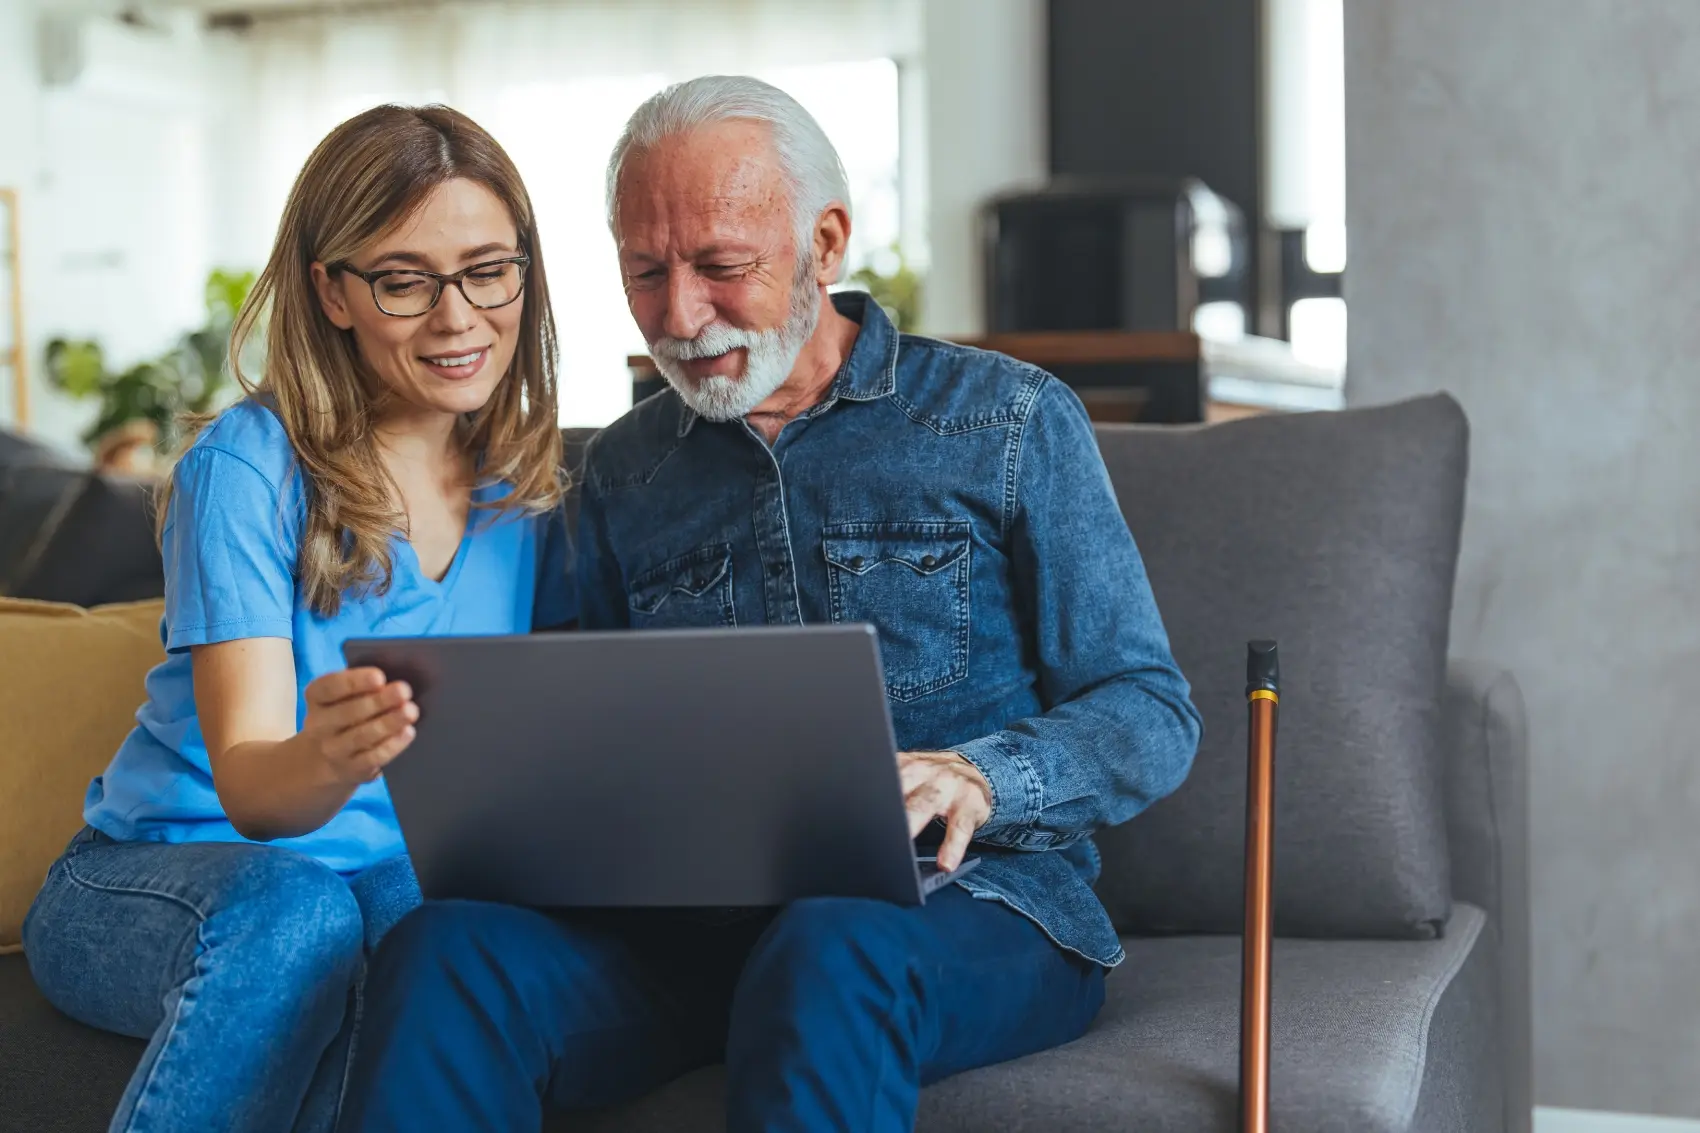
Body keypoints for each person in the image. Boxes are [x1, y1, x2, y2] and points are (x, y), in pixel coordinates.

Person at [341, 76, 1202, 1133]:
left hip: (972, 911)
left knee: (830, 940)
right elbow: (593, 743)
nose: (679, 314)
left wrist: (980, 771)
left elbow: (1149, 709)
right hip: (696, 934)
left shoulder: (1007, 419)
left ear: (825, 243)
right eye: (645, 273)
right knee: (446, 947)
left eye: (720, 267)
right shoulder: (619, 475)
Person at [22, 104, 571, 1133]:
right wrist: (329, 752)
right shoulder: (248, 467)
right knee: (304, 912)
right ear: (332, 291)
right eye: (404, 280)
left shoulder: (520, 489)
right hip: (158, 880)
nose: (458, 317)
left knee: (450, 923)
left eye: (488, 269)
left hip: (375, 877)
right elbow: (253, 785)